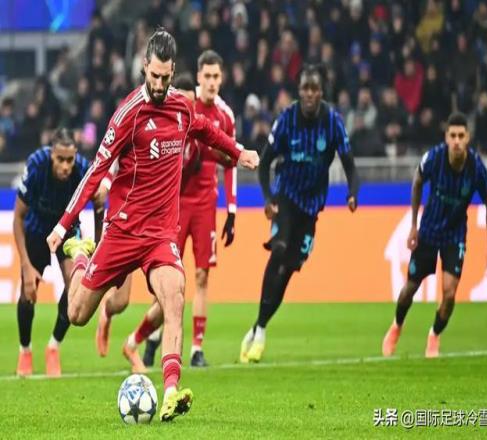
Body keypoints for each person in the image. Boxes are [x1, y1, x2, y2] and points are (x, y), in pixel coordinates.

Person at [46, 29, 259, 422]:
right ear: (145, 67)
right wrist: (64, 226)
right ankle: (81, 256)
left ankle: (171, 392)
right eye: (154, 76)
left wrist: (239, 151)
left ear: (173, 71)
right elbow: (96, 172)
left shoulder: (181, 107)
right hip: (122, 231)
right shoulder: (128, 114)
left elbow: (207, 130)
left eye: (165, 77)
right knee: (76, 314)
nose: (159, 84)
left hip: (161, 234)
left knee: (174, 296)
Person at [239, 64, 360, 363]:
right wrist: (268, 198)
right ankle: (261, 331)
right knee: (278, 249)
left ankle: (258, 326)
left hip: (312, 207)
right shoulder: (287, 120)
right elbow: (265, 163)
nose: (309, 94)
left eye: (314, 88)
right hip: (286, 198)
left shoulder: (333, 122)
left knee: (289, 269)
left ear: (321, 92)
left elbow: (349, 163)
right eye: (305, 88)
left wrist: (353, 192)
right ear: (299, 90)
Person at [136, 50, 237, 369]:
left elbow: (231, 161)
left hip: (206, 202)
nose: (212, 82)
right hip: (175, 204)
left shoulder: (226, 116)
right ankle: (153, 339)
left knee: (202, 275)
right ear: (198, 77)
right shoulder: (182, 104)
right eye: (207, 76)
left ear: (222, 78)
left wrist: (232, 208)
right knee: (166, 278)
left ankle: (196, 349)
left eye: (216, 76)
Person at [382, 112, 487, 358]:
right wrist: (414, 225)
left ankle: (434, 335)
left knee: (450, 293)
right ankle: (397, 325)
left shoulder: (476, 167)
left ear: (468, 138)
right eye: (452, 135)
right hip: (429, 231)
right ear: (446, 137)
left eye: (461, 136)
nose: (456, 141)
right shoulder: (434, 158)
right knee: (409, 289)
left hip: (455, 235)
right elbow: (417, 181)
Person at [13, 128, 104, 377]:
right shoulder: (36, 165)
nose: (65, 166)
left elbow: (99, 205)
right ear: (51, 155)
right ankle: (25, 350)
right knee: (28, 294)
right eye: (60, 160)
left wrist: (98, 246)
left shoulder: (83, 169)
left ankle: (53, 346)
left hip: (68, 231)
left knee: (75, 287)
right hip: (36, 231)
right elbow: (18, 218)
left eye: (69, 160)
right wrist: (26, 266)